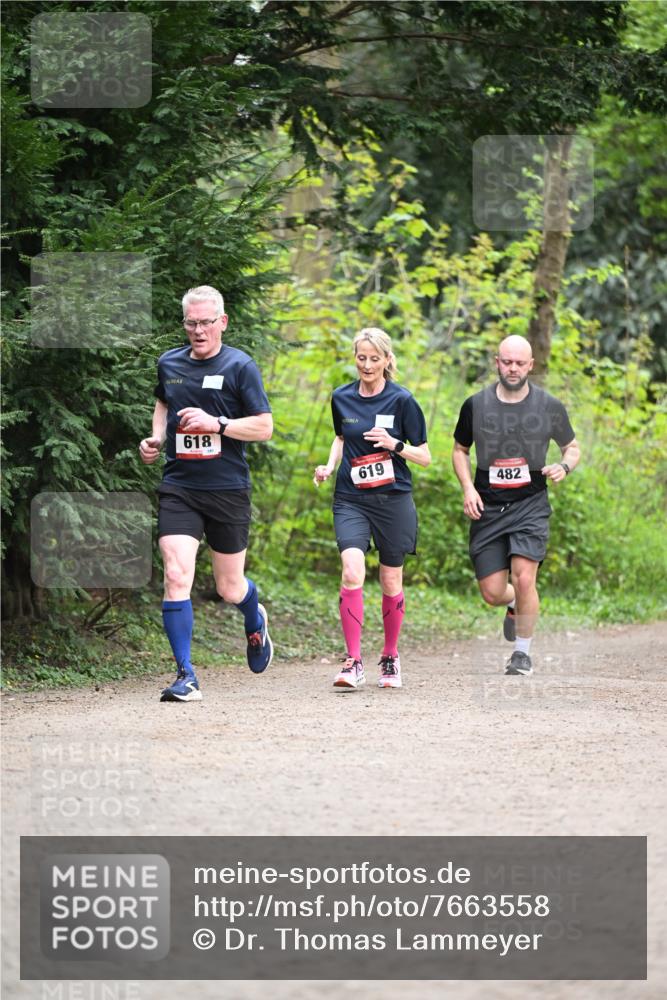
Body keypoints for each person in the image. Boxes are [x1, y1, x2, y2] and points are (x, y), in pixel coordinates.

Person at [139, 285, 274, 702]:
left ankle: (253, 616)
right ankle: (185, 674)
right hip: (180, 486)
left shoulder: (239, 366)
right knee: (176, 573)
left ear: (222, 322)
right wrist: (157, 438)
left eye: (205, 323)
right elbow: (164, 401)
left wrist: (217, 424)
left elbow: (264, 427)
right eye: (191, 322)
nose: (198, 330)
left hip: (227, 489)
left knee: (229, 588)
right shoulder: (170, 363)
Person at [452, 334, 580, 676]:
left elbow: (573, 447)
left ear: (530, 366)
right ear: (497, 362)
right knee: (493, 592)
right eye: (506, 362)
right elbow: (459, 451)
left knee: (525, 579)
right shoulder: (475, 405)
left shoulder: (548, 406)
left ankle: (522, 654)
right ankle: (511, 604)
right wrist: (468, 489)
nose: (512, 368)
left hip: (530, 504)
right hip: (489, 506)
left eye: (519, 363)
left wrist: (563, 466)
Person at [314, 328, 431, 690]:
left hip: (392, 500)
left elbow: (425, 456)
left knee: (390, 580)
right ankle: (353, 661)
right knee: (351, 570)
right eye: (361, 358)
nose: (367, 365)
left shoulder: (403, 401)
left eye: (374, 358)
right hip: (351, 498)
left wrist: (395, 444)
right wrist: (330, 465)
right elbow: (339, 438)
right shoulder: (341, 398)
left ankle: (391, 656)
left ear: (386, 360)